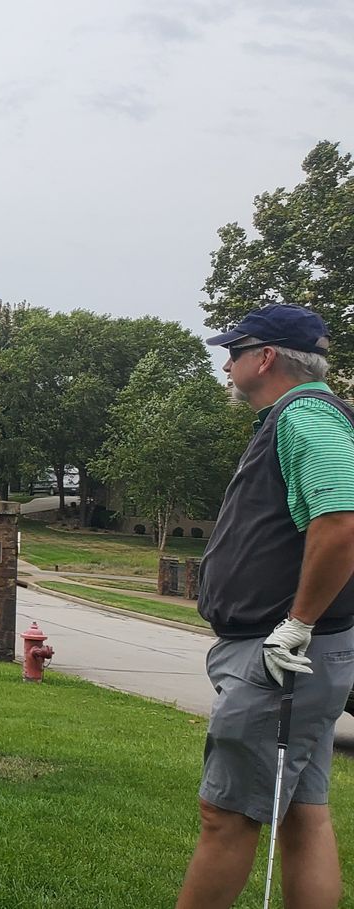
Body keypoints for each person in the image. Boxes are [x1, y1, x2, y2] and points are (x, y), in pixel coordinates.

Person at [178, 304, 354, 908]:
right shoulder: (289, 419)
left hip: (281, 656)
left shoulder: (306, 415)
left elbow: (340, 523)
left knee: (224, 815)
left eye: (234, 352)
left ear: (267, 357)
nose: (227, 365)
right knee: (303, 813)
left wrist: (297, 625)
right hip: (287, 652)